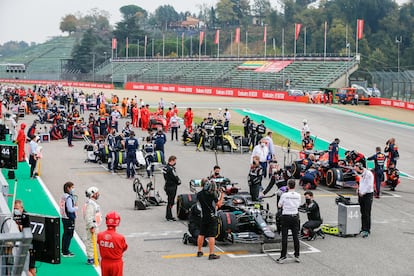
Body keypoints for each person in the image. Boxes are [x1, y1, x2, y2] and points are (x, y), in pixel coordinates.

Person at [196, 178, 225, 260]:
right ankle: (211, 253)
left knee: (201, 234)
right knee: (211, 235)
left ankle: (199, 251)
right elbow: (218, 204)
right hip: (212, 217)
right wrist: (222, 195)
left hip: (203, 216)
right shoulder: (212, 194)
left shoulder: (199, 194)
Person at [277, 179, 301, 264]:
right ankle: (297, 255)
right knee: (295, 236)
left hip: (286, 216)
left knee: (284, 237)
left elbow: (279, 205)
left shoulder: (284, 195)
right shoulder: (298, 195)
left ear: (288, 186)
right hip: (295, 216)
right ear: (294, 186)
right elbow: (298, 205)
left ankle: (283, 256)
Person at [97, 211, 128, 276]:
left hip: (104, 262)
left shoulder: (100, 235)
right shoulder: (120, 237)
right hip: (116, 263)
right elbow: (124, 248)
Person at [13, 199, 36, 276]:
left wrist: (19, 226)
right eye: (14, 208)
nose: (15, 210)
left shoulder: (26, 217)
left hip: (28, 246)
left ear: (22, 208)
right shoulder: (13, 216)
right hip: (21, 246)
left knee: (31, 269)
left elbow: (25, 231)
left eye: (17, 208)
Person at [354, 162, 374, 238]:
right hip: (361, 194)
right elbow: (361, 183)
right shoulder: (361, 174)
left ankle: (367, 229)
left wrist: (363, 192)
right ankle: (363, 228)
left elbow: (369, 185)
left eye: (357, 169)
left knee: (367, 212)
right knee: (362, 212)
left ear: (360, 167)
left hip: (367, 195)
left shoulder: (368, 174)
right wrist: (358, 190)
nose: (356, 171)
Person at [84, 186, 102, 265]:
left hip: (95, 225)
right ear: (92, 194)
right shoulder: (90, 204)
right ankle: (91, 258)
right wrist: (91, 226)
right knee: (91, 242)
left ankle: (93, 256)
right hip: (92, 226)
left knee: (93, 241)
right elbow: (88, 216)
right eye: (96, 193)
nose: (98, 194)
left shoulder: (92, 203)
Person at [60, 181, 78, 257]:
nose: (73, 189)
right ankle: (65, 251)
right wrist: (76, 207)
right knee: (69, 234)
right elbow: (70, 209)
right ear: (68, 188)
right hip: (69, 218)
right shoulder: (69, 197)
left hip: (64, 217)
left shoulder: (63, 196)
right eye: (72, 187)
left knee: (65, 234)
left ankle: (64, 250)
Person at [163, 156, 181, 221]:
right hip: (172, 187)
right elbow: (175, 177)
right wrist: (179, 181)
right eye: (175, 161)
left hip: (167, 185)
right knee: (171, 202)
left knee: (169, 201)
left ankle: (168, 215)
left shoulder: (165, 168)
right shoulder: (171, 169)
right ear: (172, 161)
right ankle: (169, 216)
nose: (175, 162)